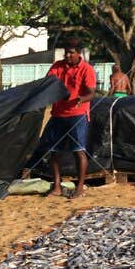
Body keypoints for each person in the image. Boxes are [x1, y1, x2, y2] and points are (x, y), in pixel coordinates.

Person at [40, 38, 98, 198]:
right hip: (58, 114)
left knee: (78, 152)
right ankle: (57, 186)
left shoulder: (87, 69)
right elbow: (48, 82)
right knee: (54, 151)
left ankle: (80, 187)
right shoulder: (58, 66)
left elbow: (91, 92)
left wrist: (81, 99)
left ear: (79, 53)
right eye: (66, 53)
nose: (67, 56)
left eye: (71, 53)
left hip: (77, 115)